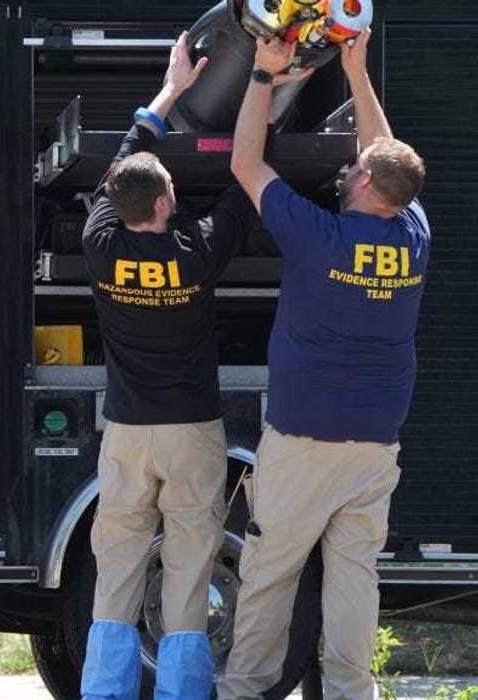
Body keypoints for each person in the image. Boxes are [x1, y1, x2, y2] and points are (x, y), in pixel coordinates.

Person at [78, 32, 307, 700]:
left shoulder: (98, 244)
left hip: (126, 433)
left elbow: (126, 155)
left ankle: (104, 692)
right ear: (164, 204)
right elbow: (246, 176)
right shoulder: (198, 254)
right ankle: (182, 692)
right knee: (187, 564)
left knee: (117, 563)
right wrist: (273, 89)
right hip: (192, 433)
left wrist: (172, 88)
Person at [218, 29, 430, 700]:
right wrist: (356, 72)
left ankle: (243, 690)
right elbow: (385, 152)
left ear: (364, 179)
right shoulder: (412, 237)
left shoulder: (320, 236)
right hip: (373, 443)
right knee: (352, 579)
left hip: (304, 437)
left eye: (357, 166)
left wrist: (260, 73)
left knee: (270, 572)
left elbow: (245, 163)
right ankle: (348, 693)